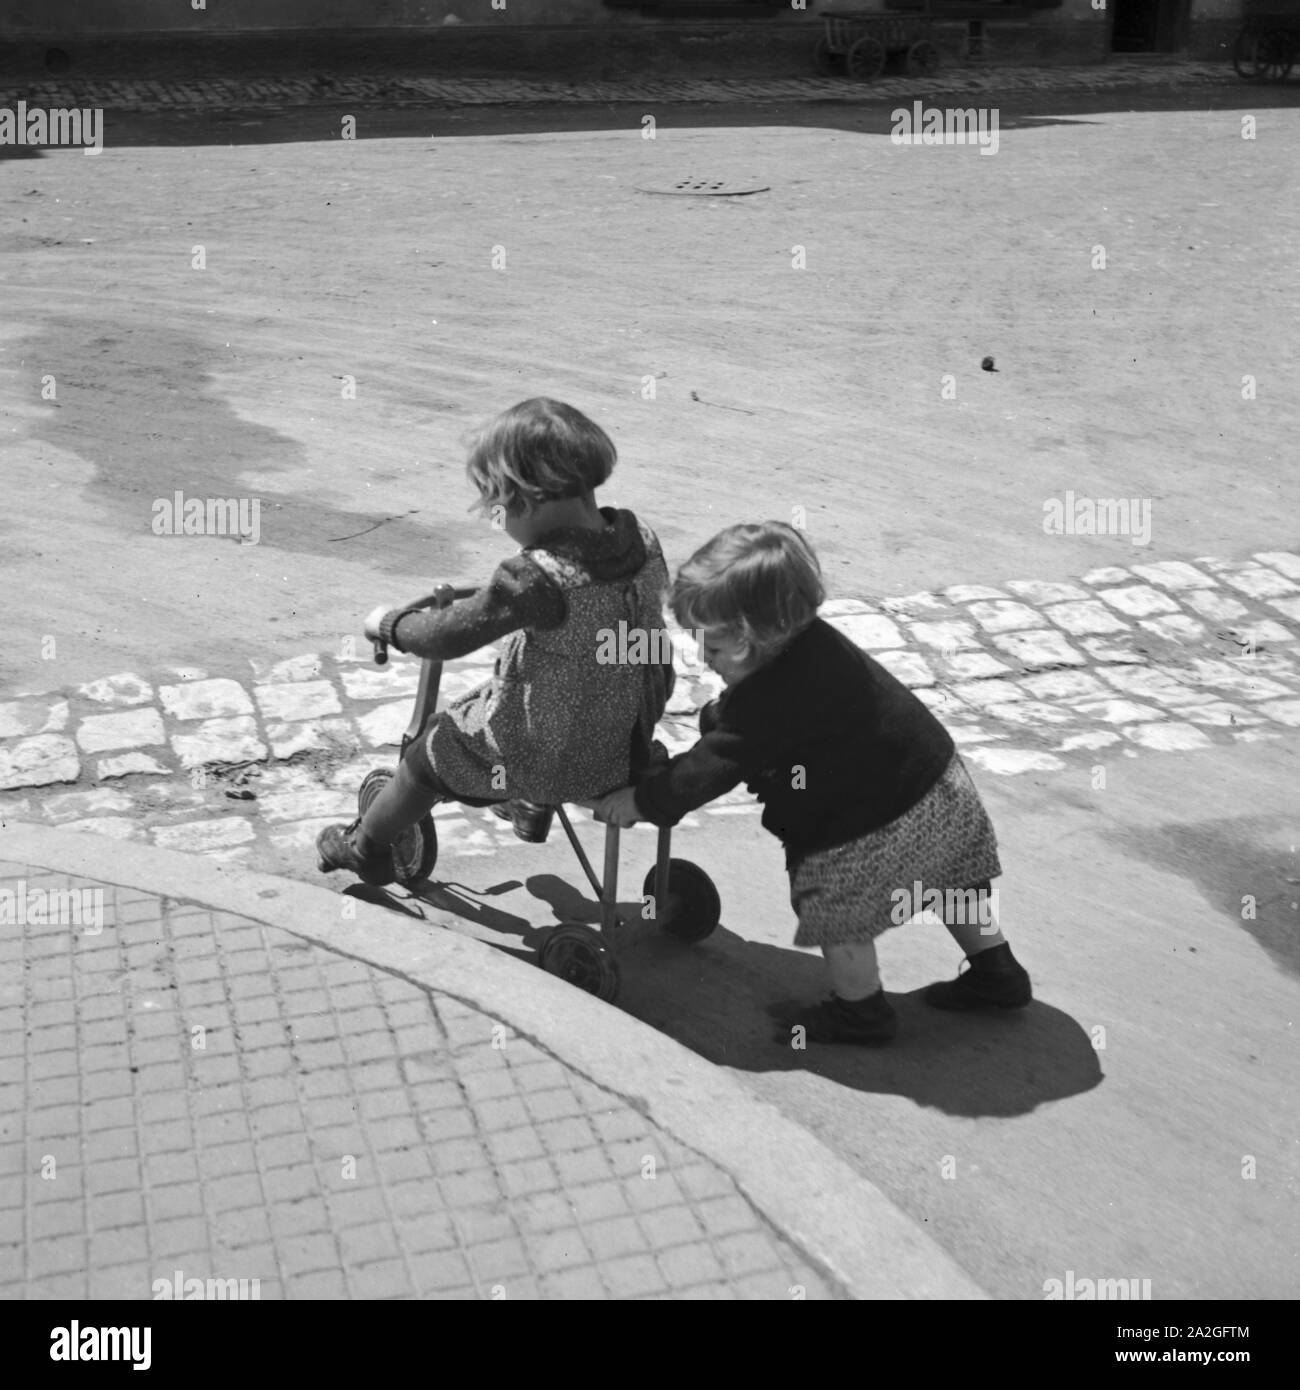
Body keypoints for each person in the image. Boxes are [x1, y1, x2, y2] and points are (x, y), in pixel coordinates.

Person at [592, 521, 1032, 1045]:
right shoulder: (813, 645)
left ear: (759, 636)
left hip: (873, 829)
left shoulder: (765, 702)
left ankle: (860, 1013)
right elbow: (762, 721)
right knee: (949, 880)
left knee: (837, 911)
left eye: (712, 649)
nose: (703, 659)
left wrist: (644, 801)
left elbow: (710, 770)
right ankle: (996, 969)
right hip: (940, 789)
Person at [317, 397, 673, 885]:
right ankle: (527, 803)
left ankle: (367, 848)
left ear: (526, 499)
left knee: (431, 754)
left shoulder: (536, 579)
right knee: (559, 694)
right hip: (625, 741)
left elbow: (445, 637)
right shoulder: (641, 540)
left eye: (496, 508)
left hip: (552, 756)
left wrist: (392, 624)